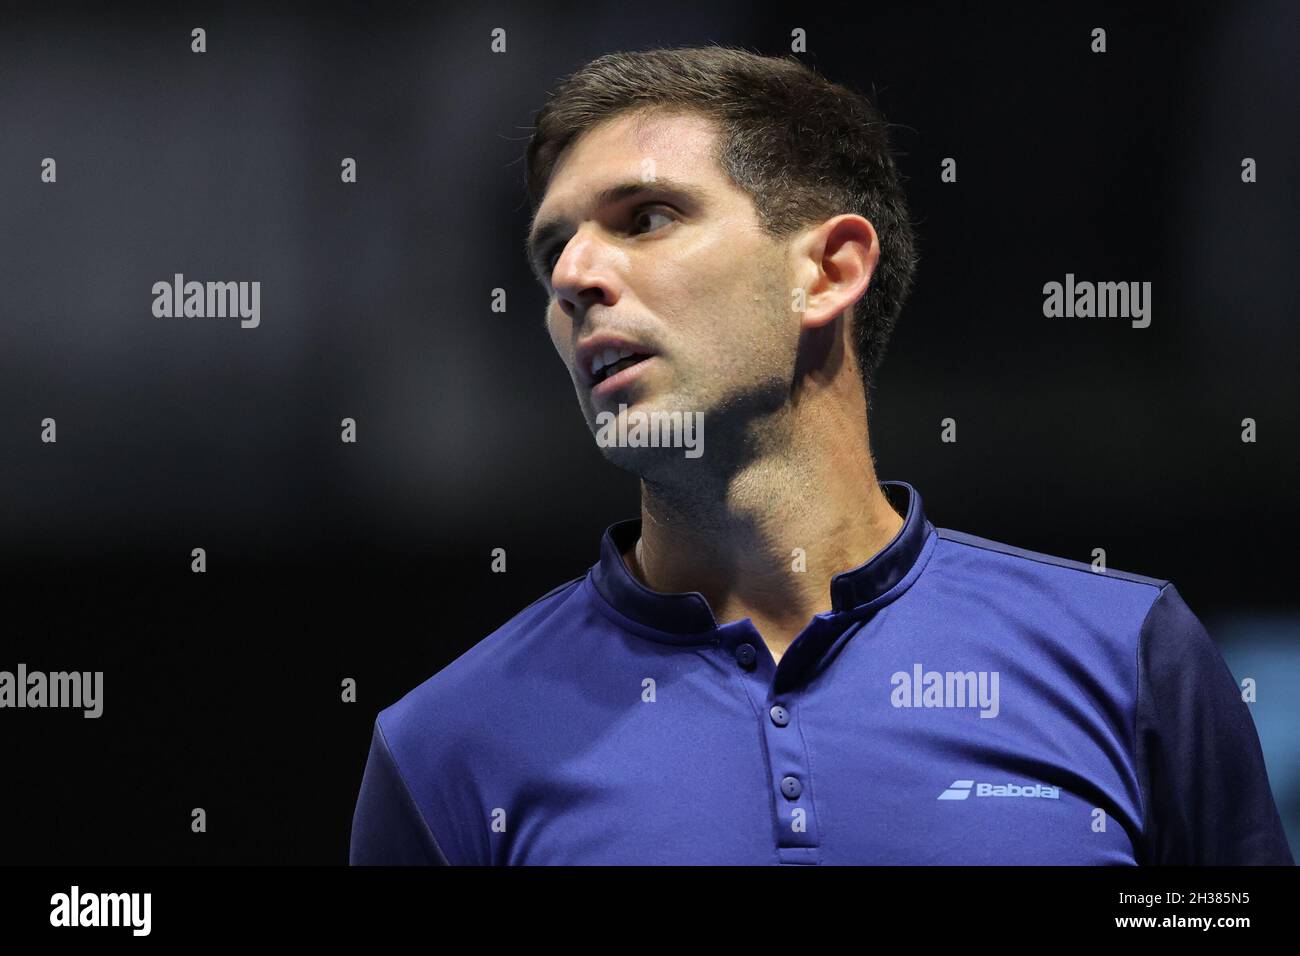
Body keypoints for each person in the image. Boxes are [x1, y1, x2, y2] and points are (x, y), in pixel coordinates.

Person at [349, 46, 1293, 865]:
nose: (573, 279)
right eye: (553, 247)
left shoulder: (1130, 657)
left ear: (829, 270)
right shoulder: (445, 745)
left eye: (645, 217)